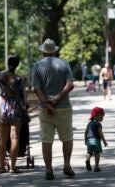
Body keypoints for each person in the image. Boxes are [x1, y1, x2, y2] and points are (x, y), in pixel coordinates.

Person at [32, 38, 75, 180]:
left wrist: (47, 103)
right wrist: (56, 99)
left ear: (43, 51)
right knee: (67, 138)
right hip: (63, 107)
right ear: (55, 51)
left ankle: (49, 170)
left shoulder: (37, 66)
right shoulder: (64, 64)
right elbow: (70, 85)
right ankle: (67, 165)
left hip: (45, 110)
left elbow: (36, 88)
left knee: (46, 139)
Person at [0, 55, 27, 174]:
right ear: (17, 65)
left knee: (2, 138)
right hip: (15, 106)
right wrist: (25, 106)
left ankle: (1, 167)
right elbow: (22, 96)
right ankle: (12, 167)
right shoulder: (19, 79)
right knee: (14, 137)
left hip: (3, 105)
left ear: (7, 62)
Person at [84, 107, 108, 172]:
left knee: (89, 152)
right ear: (97, 116)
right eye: (102, 116)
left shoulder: (89, 123)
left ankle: (87, 160)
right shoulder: (98, 124)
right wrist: (104, 141)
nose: (102, 118)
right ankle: (96, 167)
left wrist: (85, 140)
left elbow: (85, 132)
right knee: (97, 153)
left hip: (89, 140)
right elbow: (100, 133)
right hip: (96, 140)